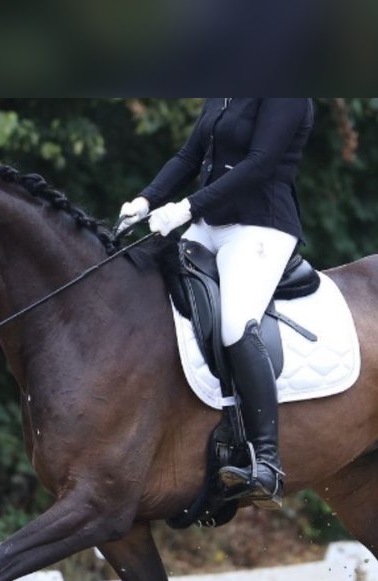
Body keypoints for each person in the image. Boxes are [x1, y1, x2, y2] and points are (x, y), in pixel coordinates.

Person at [117, 98, 315, 509]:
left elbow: (260, 163)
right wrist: (146, 199)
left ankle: (266, 460)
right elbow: (190, 155)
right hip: (209, 225)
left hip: (260, 227)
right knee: (151, 296)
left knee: (236, 325)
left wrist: (186, 207)